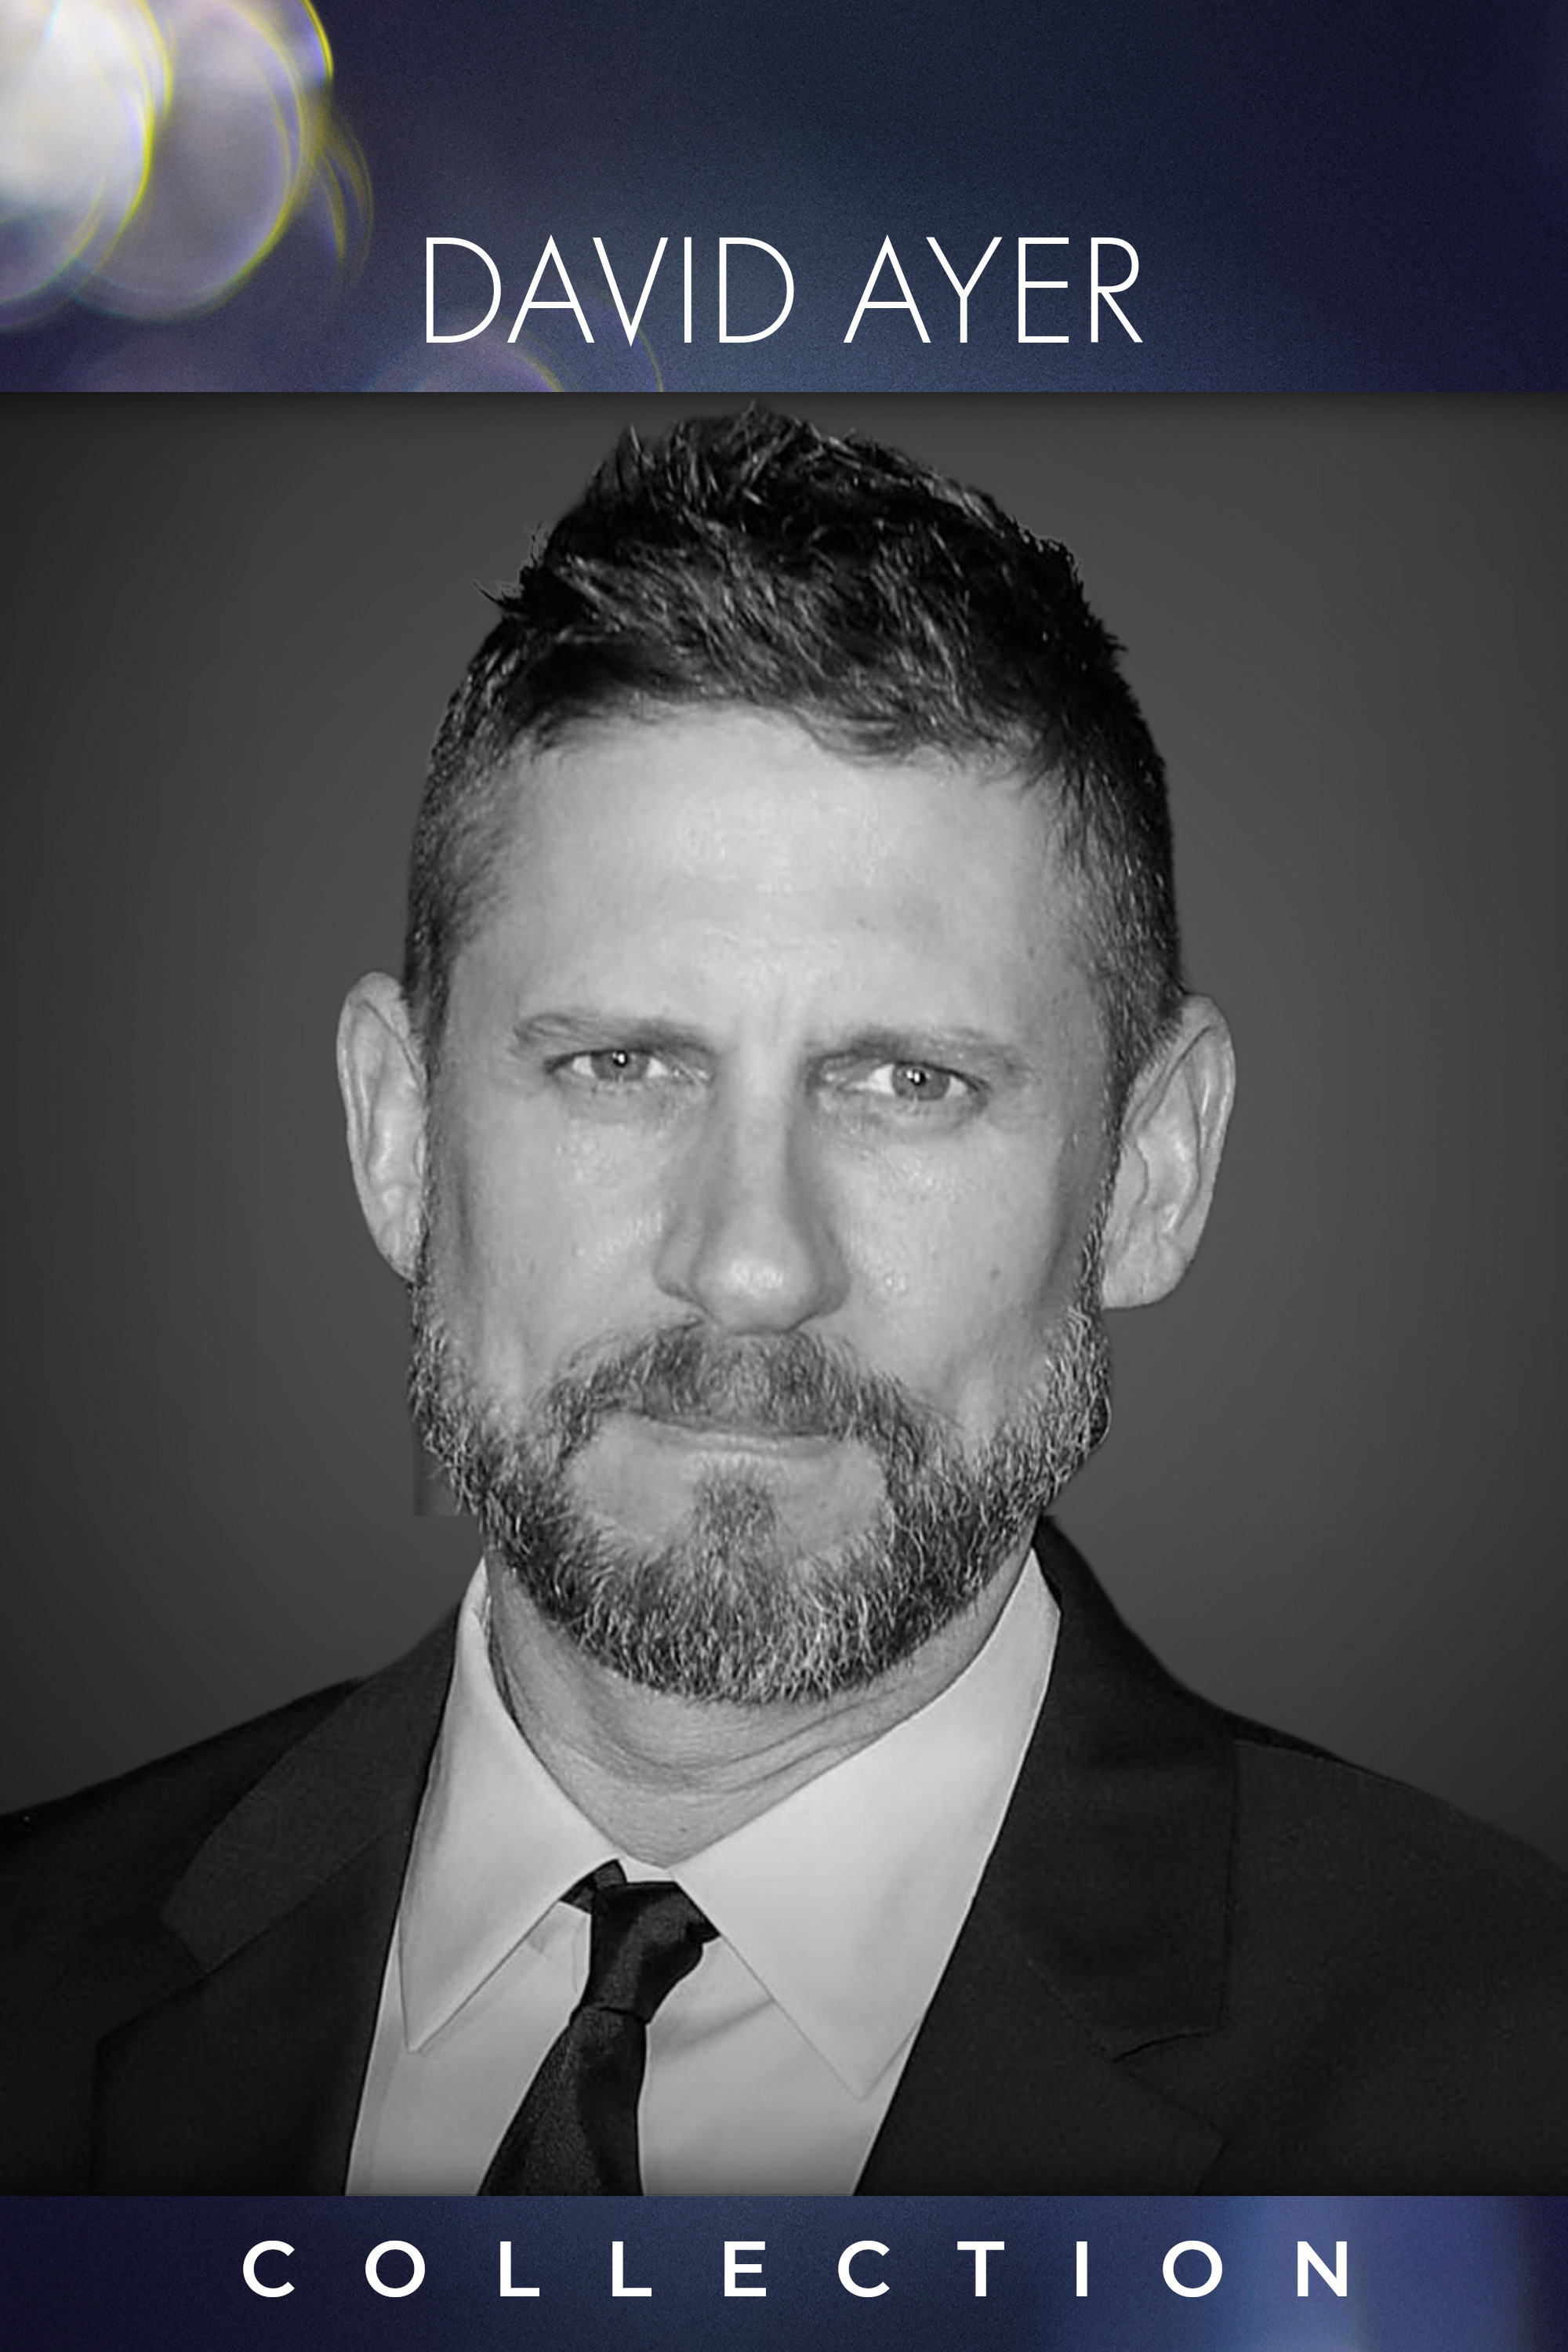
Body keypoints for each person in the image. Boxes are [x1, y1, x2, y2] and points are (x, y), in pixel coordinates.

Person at [2, 408, 1565, 2195]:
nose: (750, 1265)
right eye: (619, 1065)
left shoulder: (1511, 2089)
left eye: (908, 1084)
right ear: (398, 1135)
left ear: (1151, 1171)